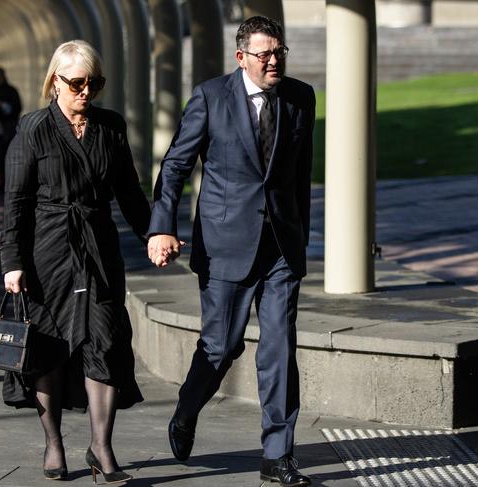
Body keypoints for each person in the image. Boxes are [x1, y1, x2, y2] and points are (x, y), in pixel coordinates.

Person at [148, 16, 315, 487]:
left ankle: (277, 455)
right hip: (225, 245)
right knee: (222, 346)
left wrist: (301, 236)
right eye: (263, 54)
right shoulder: (209, 97)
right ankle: (186, 411)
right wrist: (162, 227)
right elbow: (176, 164)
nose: (274, 60)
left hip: (281, 246)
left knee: (280, 348)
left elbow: (299, 175)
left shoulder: (301, 97)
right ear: (240, 57)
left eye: (279, 51)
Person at [0, 40, 150, 482]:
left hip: (99, 251)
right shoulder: (32, 129)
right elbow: (15, 204)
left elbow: (130, 194)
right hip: (45, 252)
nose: (87, 92)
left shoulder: (110, 127)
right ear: (54, 82)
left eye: (95, 83)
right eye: (78, 83)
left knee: (104, 341)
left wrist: (156, 233)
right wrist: (12, 260)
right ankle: (54, 443)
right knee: (47, 349)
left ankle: (102, 448)